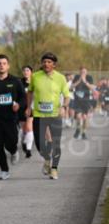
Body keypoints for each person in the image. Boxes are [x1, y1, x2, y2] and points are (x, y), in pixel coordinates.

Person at [28, 51, 71, 180]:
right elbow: (30, 92)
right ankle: (47, 159)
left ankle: (54, 169)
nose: (46, 64)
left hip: (55, 115)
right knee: (39, 143)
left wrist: (63, 107)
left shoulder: (60, 78)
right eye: (44, 62)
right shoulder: (35, 76)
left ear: (54, 65)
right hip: (39, 115)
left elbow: (67, 96)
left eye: (49, 62)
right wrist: (27, 107)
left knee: (56, 143)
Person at [71, 67, 95, 140]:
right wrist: (79, 81)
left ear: (87, 72)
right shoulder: (77, 77)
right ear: (79, 72)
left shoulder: (89, 77)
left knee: (85, 118)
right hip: (78, 101)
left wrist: (85, 81)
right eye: (81, 72)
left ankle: (83, 132)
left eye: (84, 72)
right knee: (78, 116)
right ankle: (78, 129)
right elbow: (71, 87)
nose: (83, 73)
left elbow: (92, 88)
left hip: (86, 101)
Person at [19, 65, 34, 157]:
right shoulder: (19, 82)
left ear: (31, 72)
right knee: (23, 129)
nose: (26, 72)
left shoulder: (34, 82)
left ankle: (29, 149)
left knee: (29, 127)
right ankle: (24, 142)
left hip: (31, 107)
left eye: (28, 70)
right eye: (24, 70)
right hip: (21, 108)